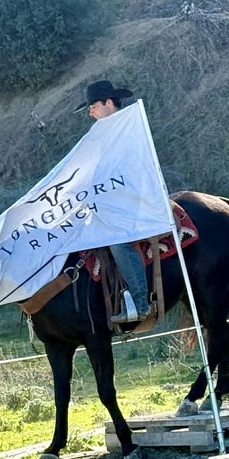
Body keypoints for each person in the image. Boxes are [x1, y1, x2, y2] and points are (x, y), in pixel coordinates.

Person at [75, 80, 150, 324]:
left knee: (118, 241)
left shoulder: (128, 127)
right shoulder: (103, 134)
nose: (90, 112)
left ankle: (141, 304)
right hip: (113, 200)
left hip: (134, 198)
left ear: (108, 102)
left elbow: (131, 166)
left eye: (93, 106)